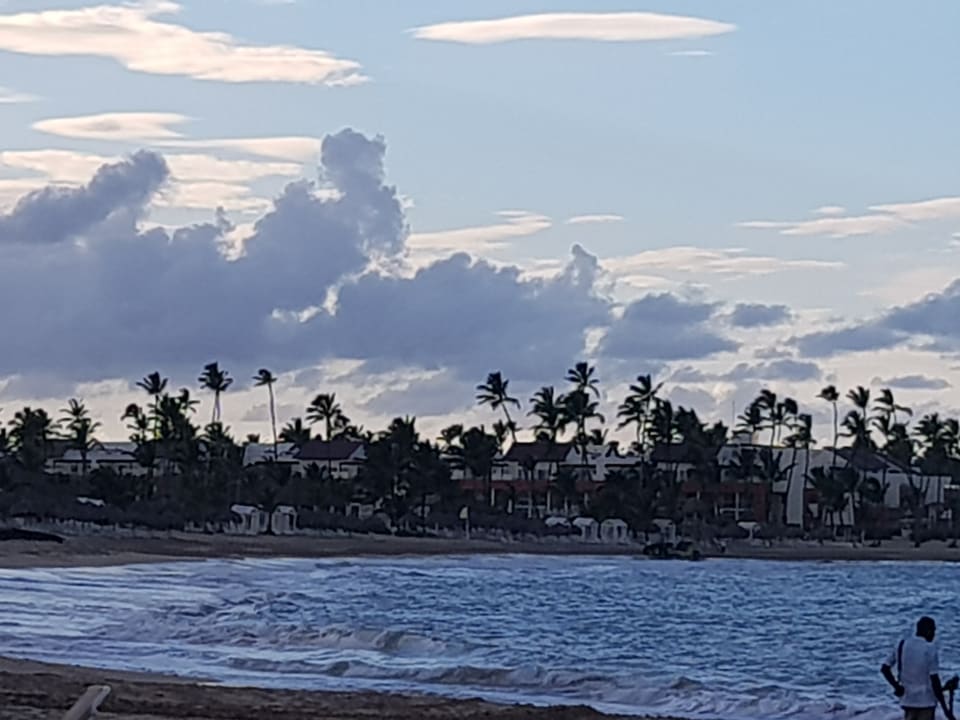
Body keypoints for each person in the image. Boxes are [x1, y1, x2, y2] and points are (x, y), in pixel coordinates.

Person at [881, 616, 956, 720]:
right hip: (926, 701)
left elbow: (885, 669)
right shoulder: (930, 648)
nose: (934, 635)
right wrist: (945, 709)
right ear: (927, 630)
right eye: (933, 630)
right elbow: (934, 680)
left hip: (908, 700)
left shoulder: (902, 645)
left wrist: (897, 687)